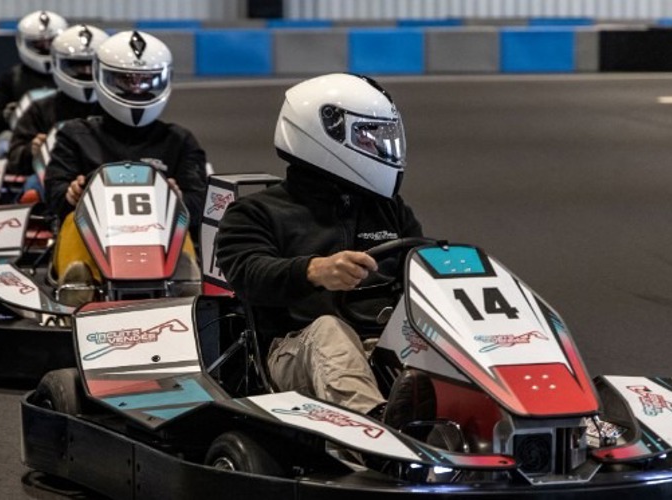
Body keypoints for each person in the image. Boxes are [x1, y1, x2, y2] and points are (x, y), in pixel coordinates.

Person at [215, 73, 434, 427]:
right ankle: (376, 436)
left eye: (383, 137)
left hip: (381, 344)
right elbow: (248, 274)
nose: (380, 147)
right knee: (329, 330)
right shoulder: (256, 212)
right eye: (368, 137)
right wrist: (313, 270)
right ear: (322, 134)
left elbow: (422, 268)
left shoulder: (388, 209)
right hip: (294, 351)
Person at [44, 31, 207, 302]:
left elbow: (199, 204)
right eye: (126, 79)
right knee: (74, 217)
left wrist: (178, 199)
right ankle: (78, 286)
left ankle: (184, 278)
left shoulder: (178, 140)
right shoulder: (76, 135)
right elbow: (53, 195)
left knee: (180, 220)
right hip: (95, 241)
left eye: (145, 81)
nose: (136, 88)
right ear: (104, 77)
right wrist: (69, 194)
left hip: (159, 241)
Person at [6, 24, 108, 188]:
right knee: (32, 186)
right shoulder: (40, 109)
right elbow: (13, 160)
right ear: (57, 63)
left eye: (92, 65)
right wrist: (31, 151)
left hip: (108, 185)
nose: (87, 71)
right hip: (55, 184)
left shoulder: (116, 112)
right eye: (79, 65)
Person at [0, 10, 67, 139]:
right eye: (39, 44)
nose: (46, 47)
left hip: (67, 140)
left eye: (51, 42)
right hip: (26, 142)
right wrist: (7, 115)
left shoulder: (73, 76)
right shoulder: (12, 78)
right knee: (5, 137)